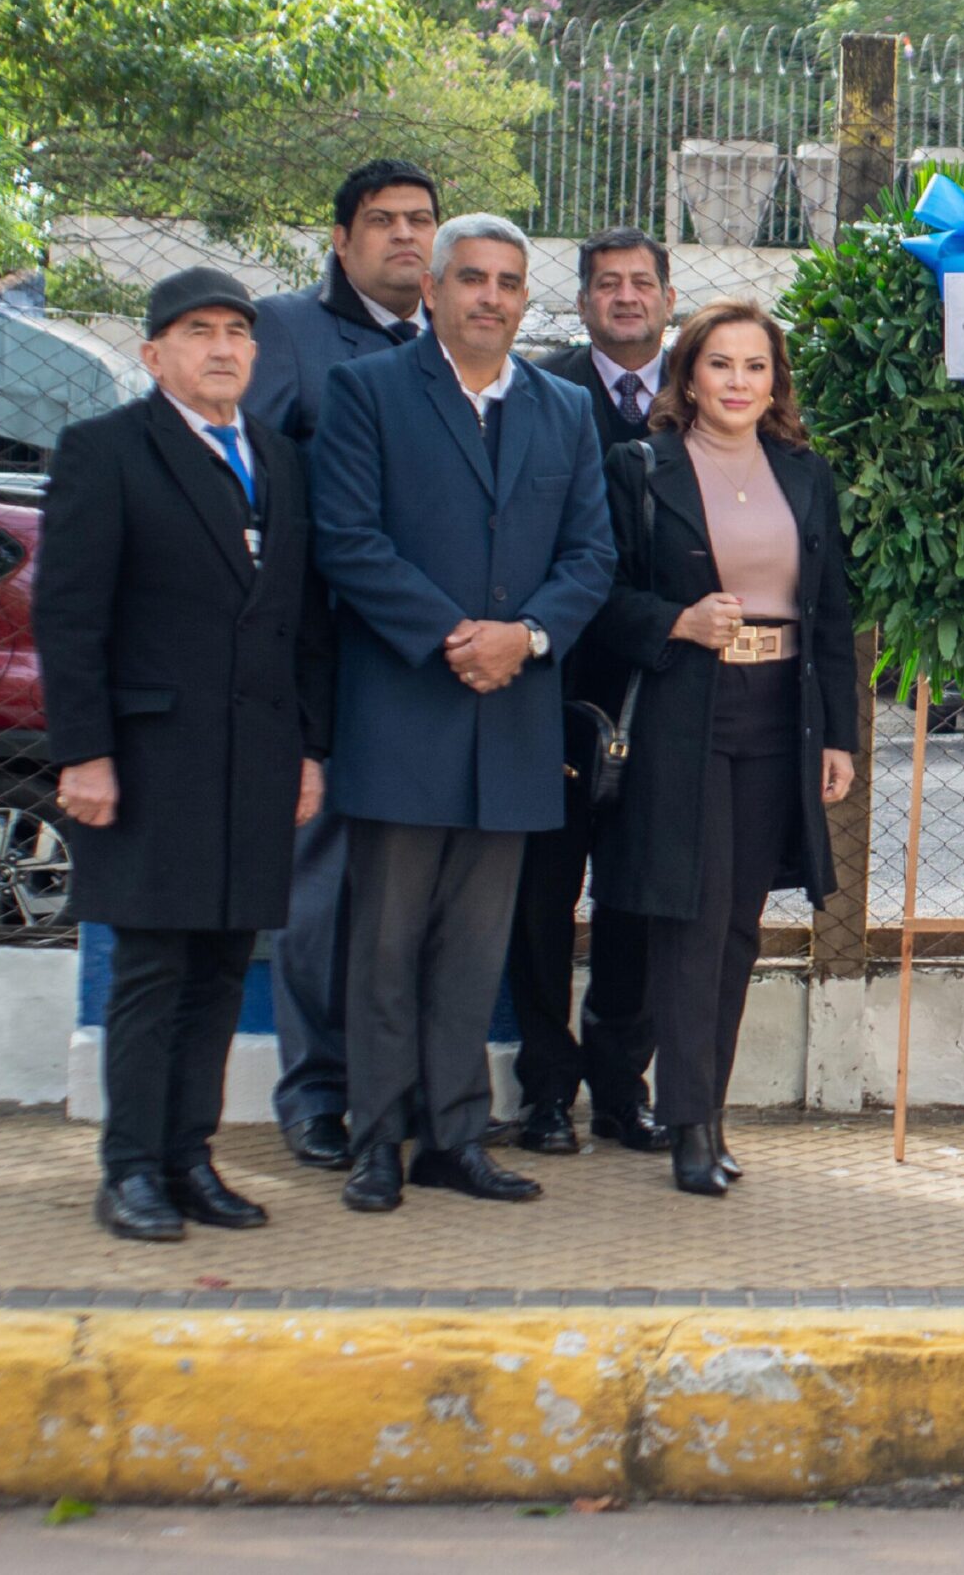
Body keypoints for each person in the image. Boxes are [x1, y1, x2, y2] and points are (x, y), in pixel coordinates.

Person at [309, 213, 615, 1212]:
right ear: (434, 290)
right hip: (404, 709)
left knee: (472, 951)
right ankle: (376, 1138)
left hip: (513, 724)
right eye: (472, 278)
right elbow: (347, 540)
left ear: (529, 300)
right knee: (385, 943)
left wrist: (521, 639)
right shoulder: (367, 392)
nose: (491, 295)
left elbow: (591, 558)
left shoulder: (565, 411)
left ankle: (453, 1139)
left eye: (509, 282)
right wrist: (455, 636)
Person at [36, 269, 333, 1242]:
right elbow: (69, 617)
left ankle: (189, 1157)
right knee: (154, 968)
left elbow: (302, 625)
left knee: (218, 968)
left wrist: (308, 750)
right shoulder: (106, 451)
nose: (222, 347)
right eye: (198, 330)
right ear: (153, 351)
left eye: (238, 331)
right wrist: (84, 752)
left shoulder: (282, 463)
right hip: (150, 758)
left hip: (255, 758)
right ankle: (129, 1170)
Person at [584, 300, 858, 1196]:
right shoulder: (640, 468)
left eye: (756, 367)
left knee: (741, 925)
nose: (739, 383)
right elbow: (601, 595)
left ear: (775, 380)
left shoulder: (806, 474)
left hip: (781, 714)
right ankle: (688, 1124)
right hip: (682, 710)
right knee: (692, 920)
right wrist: (676, 621)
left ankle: (710, 1110)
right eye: (720, 365)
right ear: (688, 376)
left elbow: (833, 615)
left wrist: (842, 737)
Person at [248, 158, 439, 1174]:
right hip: (323, 659)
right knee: (321, 890)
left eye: (419, 221)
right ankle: (315, 1093)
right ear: (341, 239)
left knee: (408, 898)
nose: (403, 237)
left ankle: (394, 1090)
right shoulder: (288, 331)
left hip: (427, 667)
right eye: (381, 222)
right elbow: (259, 484)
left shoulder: (454, 343)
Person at [504, 227, 679, 1157]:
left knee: (636, 904)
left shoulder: (703, 396)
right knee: (539, 901)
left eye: (640, 283)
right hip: (553, 690)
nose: (624, 297)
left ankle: (622, 1092)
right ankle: (543, 1093)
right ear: (579, 303)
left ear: (667, 296)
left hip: (659, 693)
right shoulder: (541, 392)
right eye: (606, 284)